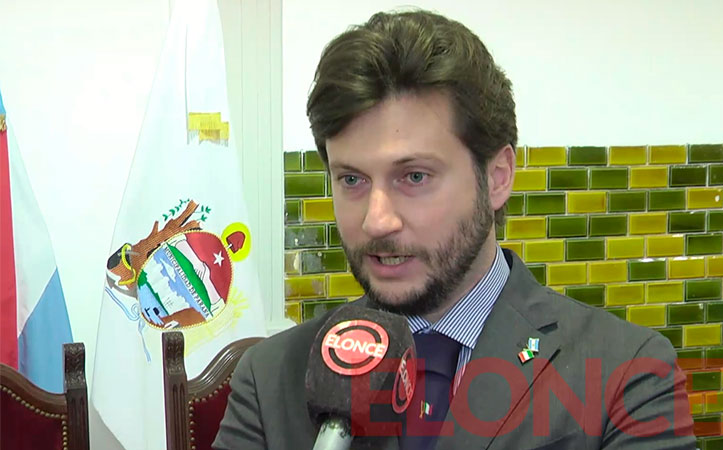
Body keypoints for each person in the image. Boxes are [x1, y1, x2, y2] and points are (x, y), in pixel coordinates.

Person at [213, 9, 695, 449]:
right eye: (352, 180)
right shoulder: (270, 378)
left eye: (414, 177)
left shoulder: (625, 374)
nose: (377, 220)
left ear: (497, 177)